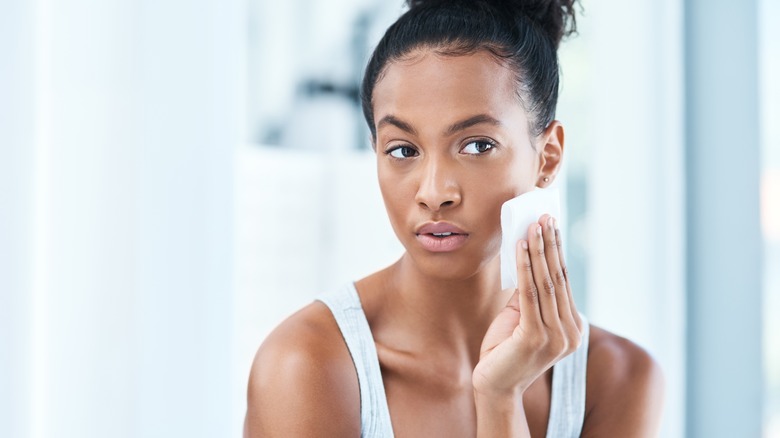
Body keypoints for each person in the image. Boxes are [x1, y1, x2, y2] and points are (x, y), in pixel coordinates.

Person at [244, 0, 664, 436]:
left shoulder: (614, 379)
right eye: (403, 150)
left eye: (477, 145)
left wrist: (500, 396)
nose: (433, 193)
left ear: (548, 156)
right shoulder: (306, 366)